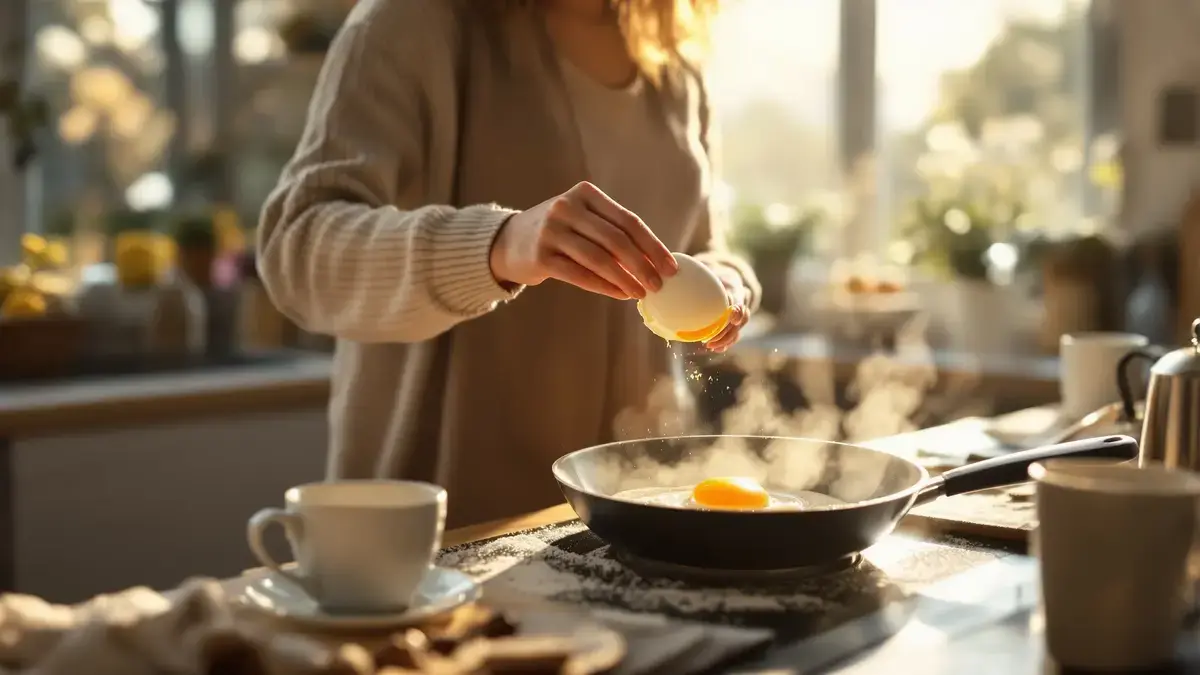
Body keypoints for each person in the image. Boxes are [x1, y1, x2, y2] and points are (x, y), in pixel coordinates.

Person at [257, 0, 761, 527]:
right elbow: (296, 251)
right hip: (451, 527)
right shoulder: (409, 23)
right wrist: (499, 243)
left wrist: (728, 280)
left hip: (637, 508)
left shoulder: (670, 51)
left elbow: (705, 242)